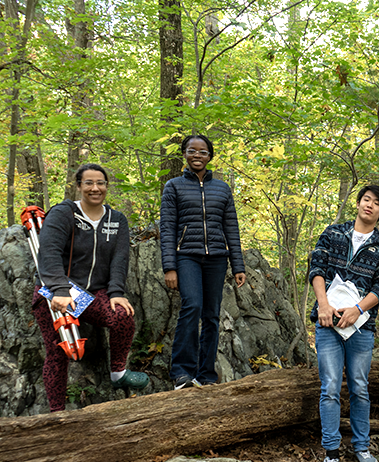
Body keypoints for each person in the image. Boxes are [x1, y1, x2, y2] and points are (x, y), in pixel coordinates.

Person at [33, 163, 149, 412]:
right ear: (79, 186)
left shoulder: (116, 220)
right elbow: (49, 253)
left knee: (122, 316)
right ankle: (57, 414)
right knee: (58, 351)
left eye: (100, 183)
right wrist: (60, 290)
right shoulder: (64, 213)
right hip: (56, 291)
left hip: (93, 293)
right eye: (89, 183)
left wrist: (116, 293)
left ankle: (118, 373)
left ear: (107, 186)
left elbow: (120, 260)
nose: (95, 188)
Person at [308, 184, 379, 462]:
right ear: (358, 203)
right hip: (327, 321)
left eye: (376, 203)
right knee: (330, 386)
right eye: (366, 200)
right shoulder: (334, 233)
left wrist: (358, 309)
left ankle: (361, 446)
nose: (369, 205)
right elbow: (316, 267)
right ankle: (331, 451)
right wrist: (323, 305)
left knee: (359, 386)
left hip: (362, 327)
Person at [160, 134, 246, 390]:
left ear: (210, 156)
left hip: (217, 258)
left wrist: (238, 265)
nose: (197, 155)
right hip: (186, 255)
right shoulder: (173, 186)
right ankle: (181, 373)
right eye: (192, 151)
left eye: (203, 152)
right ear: (184, 154)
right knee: (192, 306)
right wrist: (170, 266)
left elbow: (231, 227)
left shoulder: (222, 189)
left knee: (211, 316)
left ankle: (206, 374)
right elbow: (167, 228)